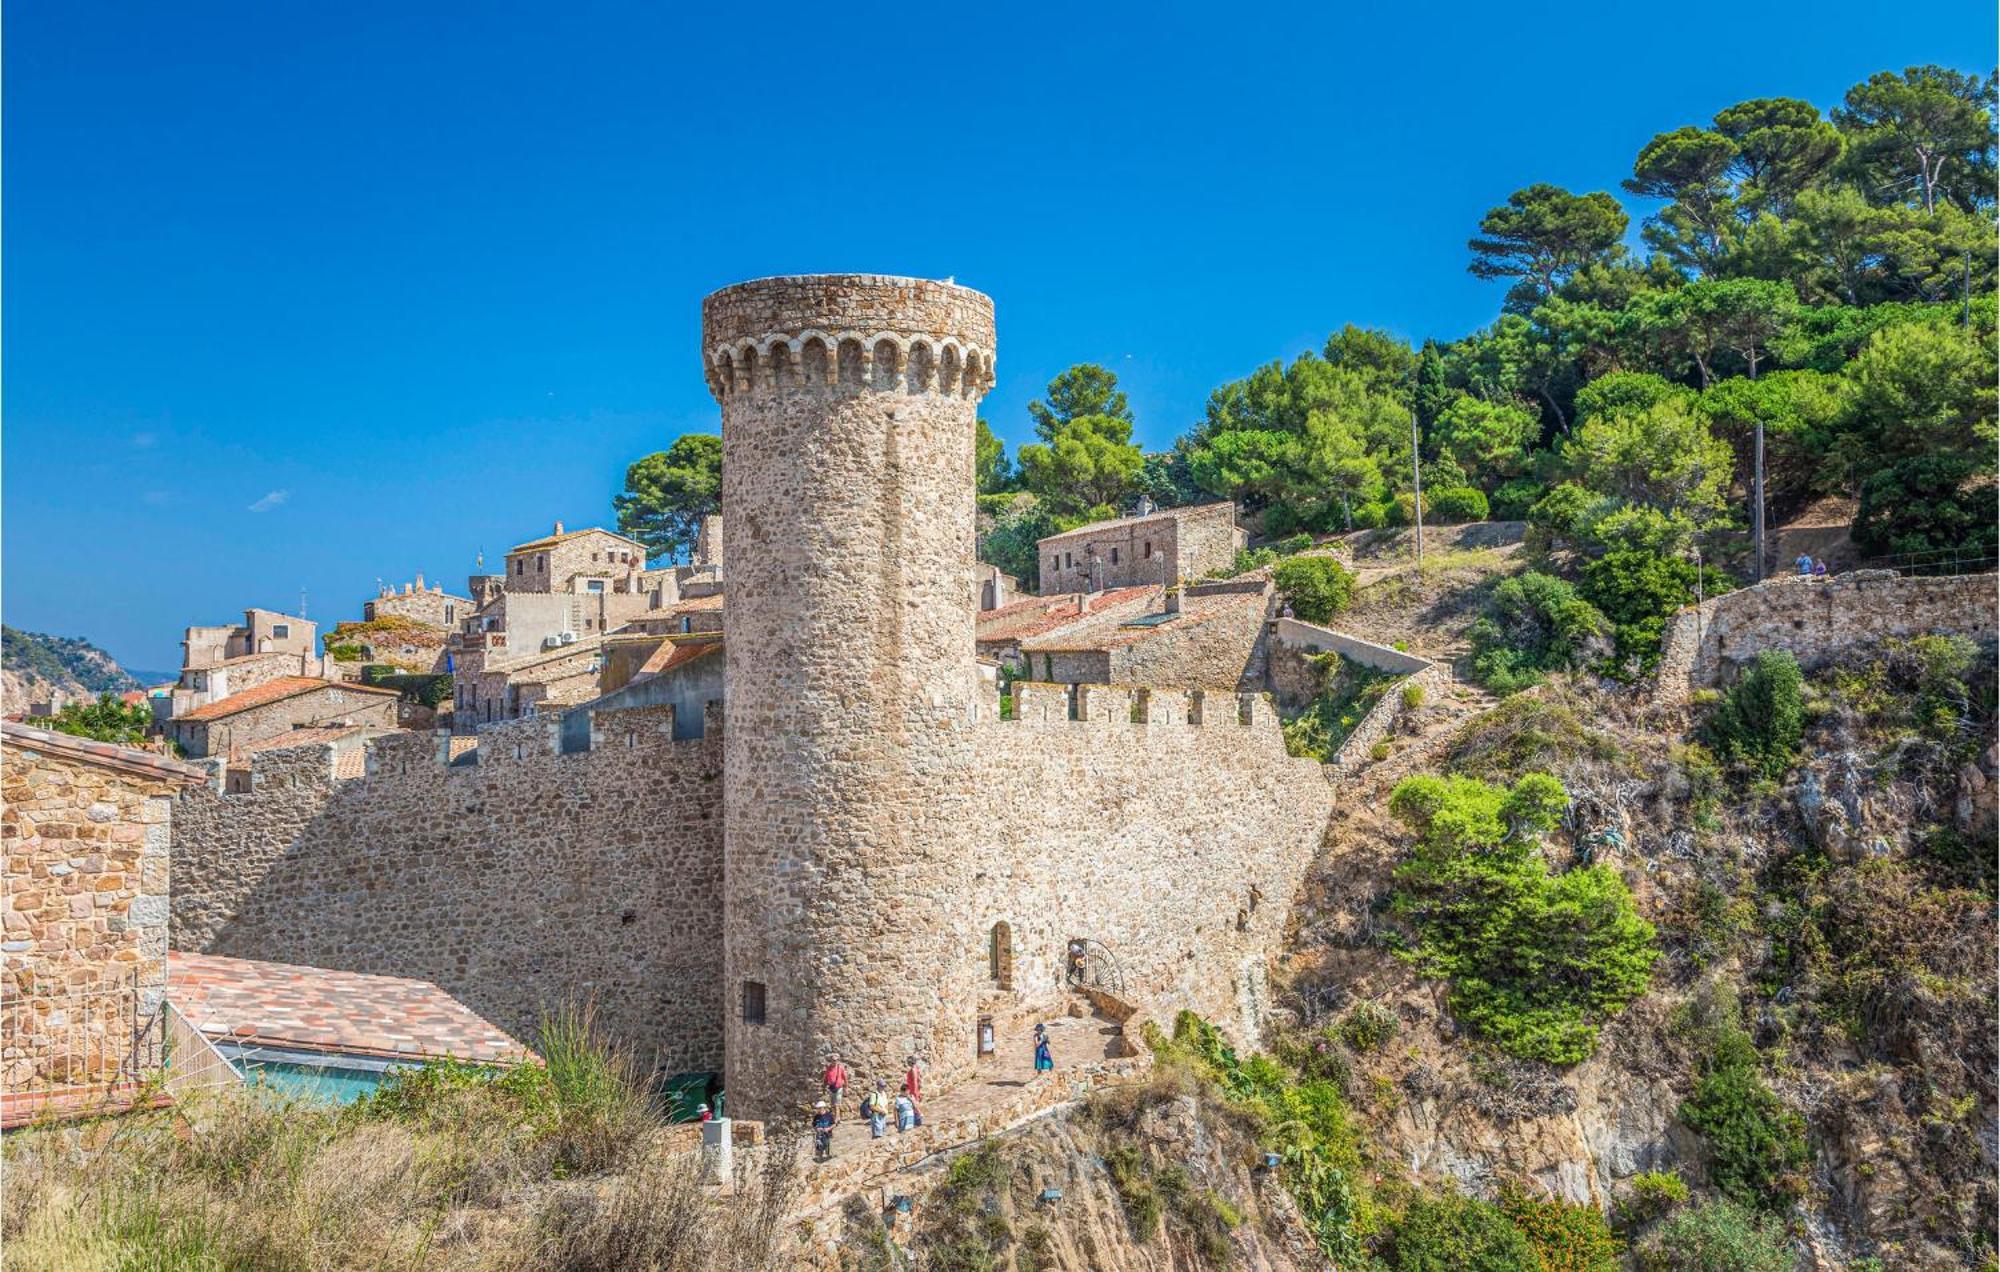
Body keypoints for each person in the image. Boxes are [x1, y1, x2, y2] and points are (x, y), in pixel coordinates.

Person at [823, 1052, 849, 1122]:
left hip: (839, 1087)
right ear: (831, 1060)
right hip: (831, 1088)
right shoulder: (829, 1068)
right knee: (833, 1104)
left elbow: (845, 1078)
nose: (835, 1061)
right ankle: (838, 1117)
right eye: (833, 1060)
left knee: (837, 1103)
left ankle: (837, 1118)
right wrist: (824, 1087)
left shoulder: (840, 1068)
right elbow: (826, 1078)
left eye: (836, 1060)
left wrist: (846, 1088)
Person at [901, 1055, 923, 1126]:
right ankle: (917, 1119)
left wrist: (912, 1092)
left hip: (912, 1089)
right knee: (915, 1104)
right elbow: (919, 1079)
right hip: (915, 1089)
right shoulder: (916, 1068)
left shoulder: (912, 1070)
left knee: (914, 1105)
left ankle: (918, 1120)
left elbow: (914, 1081)